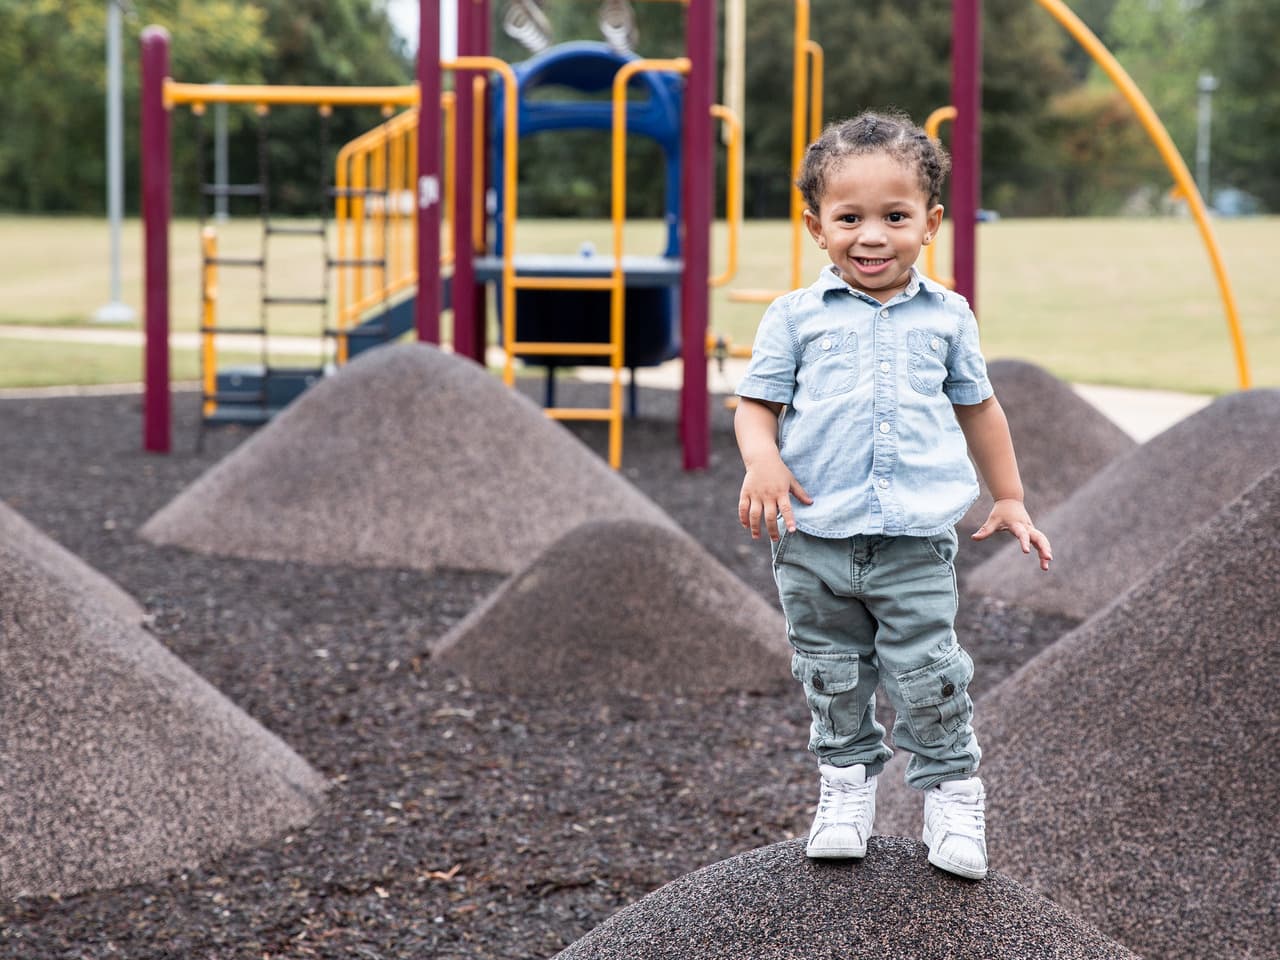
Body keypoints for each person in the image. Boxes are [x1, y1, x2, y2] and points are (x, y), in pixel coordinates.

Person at [734, 110, 1052, 881]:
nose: (871, 236)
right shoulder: (795, 318)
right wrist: (762, 462)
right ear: (817, 227)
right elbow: (755, 405)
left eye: (894, 217)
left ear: (930, 222)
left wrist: (1008, 497)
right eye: (850, 218)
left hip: (912, 541)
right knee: (831, 673)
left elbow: (980, 407)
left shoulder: (946, 317)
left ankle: (952, 794)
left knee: (927, 673)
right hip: (812, 540)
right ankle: (846, 790)